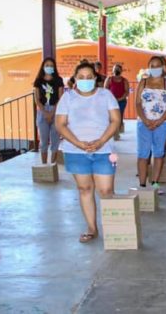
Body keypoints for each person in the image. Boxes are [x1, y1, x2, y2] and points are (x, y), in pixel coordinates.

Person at [55, 62, 120, 243]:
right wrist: (79, 143)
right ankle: (92, 228)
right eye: (81, 77)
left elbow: (115, 120)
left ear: (95, 78)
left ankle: (112, 228)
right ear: (75, 79)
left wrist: (100, 141)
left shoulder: (106, 95)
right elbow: (60, 124)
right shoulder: (67, 98)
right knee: (85, 188)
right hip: (75, 151)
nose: (85, 80)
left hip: (104, 150)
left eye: (89, 77)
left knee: (106, 190)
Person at [136, 56, 166, 189]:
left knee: (159, 152)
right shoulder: (143, 82)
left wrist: (159, 121)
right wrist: (145, 120)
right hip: (144, 123)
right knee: (143, 153)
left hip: (162, 124)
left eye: (157, 65)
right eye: (152, 66)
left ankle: (155, 183)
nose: (155, 68)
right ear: (148, 67)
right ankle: (142, 185)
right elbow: (137, 103)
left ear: (163, 67)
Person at [33, 58, 65, 164]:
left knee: (55, 139)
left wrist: (52, 112)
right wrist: (45, 112)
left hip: (56, 110)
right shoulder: (38, 81)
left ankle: (52, 165)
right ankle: (44, 164)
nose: (49, 67)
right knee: (43, 140)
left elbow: (60, 98)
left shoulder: (58, 80)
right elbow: (37, 99)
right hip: (42, 111)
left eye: (51, 65)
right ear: (43, 67)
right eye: (47, 65)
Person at [104, 64, 130, 139]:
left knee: (119, 117)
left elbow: (126, 92)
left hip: (121, 102)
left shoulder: (124, 80)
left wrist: (120, 98)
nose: (116, 70)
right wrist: (111, 99)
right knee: (111, 117)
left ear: (121, 71)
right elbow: (105, 90)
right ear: (112, 70)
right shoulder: (109, 79)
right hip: (111, 102)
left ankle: (117, 133)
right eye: (115, 69)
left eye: (118, 69)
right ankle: (113, 133)